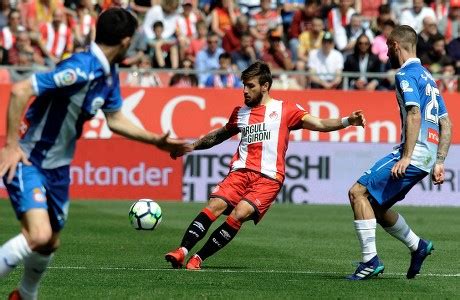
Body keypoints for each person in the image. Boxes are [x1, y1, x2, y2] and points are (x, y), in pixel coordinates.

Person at [0, 8, 190, 299]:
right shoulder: (80, 68)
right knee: (37, 235)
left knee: (49, 242)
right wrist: (11, 145)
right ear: (126, 41)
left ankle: (24, 295)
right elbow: (21, 89)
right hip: (30, 159)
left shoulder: (109, 74)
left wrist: (156, 141)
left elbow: (114, 119)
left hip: (58, 169)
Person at [165, 61, 366, 270]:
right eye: (244, 85)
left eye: (250, 86)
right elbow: (219, 135)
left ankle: (198, 258)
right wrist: (191, 146)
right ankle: (182, 251)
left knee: (239, 214)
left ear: (265, 86)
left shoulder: (285, 109)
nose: (244, 91)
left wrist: (347, 121)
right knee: (214, 206)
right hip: (240, 172)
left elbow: (321, 124)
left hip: (268, 178)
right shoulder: (240, 113)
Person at [346, 25, 452, 280]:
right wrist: (439, 161)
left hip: (413, 154)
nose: (385, 56)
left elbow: (414, 113)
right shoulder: (428, 77)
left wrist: (406, 156)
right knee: (376, 206)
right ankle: (418, 246)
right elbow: (445, 122)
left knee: (357, 192)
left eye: (387, 50)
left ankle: (369, 261)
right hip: (427, 157)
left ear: (395, 45)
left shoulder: (405, 74)